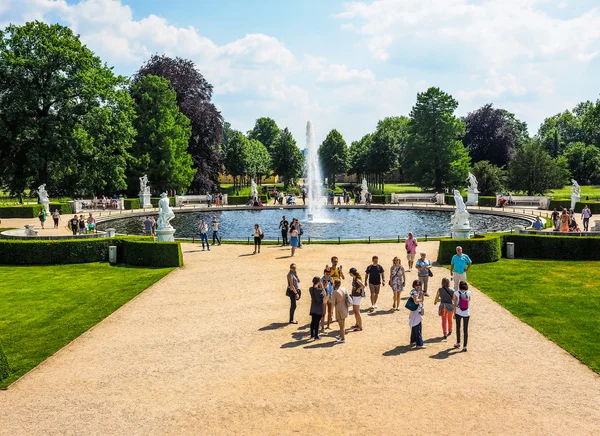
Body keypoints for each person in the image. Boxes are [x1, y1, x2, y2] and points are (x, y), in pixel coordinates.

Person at [453, 281, 471, 352]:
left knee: (458, 327)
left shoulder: (456, 293)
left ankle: (458, 342)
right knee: (465, 329)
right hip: (467, 313)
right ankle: (465, 346)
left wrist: (454, 313)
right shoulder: (469, 293)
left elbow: (454, 304)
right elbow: (469, 300)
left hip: (458, 312)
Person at [409, 280, 426, 349]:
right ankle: (419, 343)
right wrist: (421, 297)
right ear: (414, 285)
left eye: (419, 285)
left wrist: (421, 296)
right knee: (417, 327)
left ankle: (413, 340)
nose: (418, 286)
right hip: (416, 311)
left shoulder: (417, 291)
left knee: (414, 326)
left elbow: (422, 300)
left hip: (417, 310)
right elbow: (416, 301)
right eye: (417, 285)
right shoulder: (414, 292)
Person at [332, 279, 349, 344]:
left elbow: (333, 302)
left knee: (341, 325)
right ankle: (341, 335)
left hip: (339, 308)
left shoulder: (335, 292)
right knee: (342, 323)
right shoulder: (343, 289)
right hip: (344, 306)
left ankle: (343, 338)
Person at [321, 267, 335, 331]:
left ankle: (328, 325)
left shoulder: (331, 279)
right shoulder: (321, 279)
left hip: (330, 296)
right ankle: (322, 327)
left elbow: (333, 287)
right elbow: (322, 288)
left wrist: (332, 283)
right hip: (324, 297)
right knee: (323, 313)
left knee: (330, 312)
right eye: (326, 273)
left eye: (329, 273)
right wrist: (325, 285)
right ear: (324, 273)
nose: (328, 274)